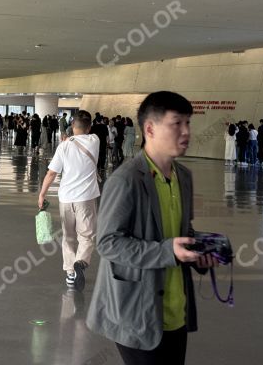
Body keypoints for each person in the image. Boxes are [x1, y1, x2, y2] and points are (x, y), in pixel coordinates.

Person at [86, 91, 215, 364]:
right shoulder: (126, 180)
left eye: (188, 123)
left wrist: (198, 253)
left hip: (175, 311)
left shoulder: (185, 177)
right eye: (176, 123)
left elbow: (180, 232)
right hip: (136, 311)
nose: (186, 131)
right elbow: (108, 242)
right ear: (149, 129)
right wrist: (168, 251)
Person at [37, 110, 100, 291]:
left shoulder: (64, 146)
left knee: (68, 237)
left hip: (66, 198)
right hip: (86, 199)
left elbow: (51, 173)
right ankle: (81, 262)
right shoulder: (95, 141)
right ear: (89, 127)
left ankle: (70, 273)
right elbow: (85, 135)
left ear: (72, 125)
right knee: (86, 236)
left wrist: (42, 194)